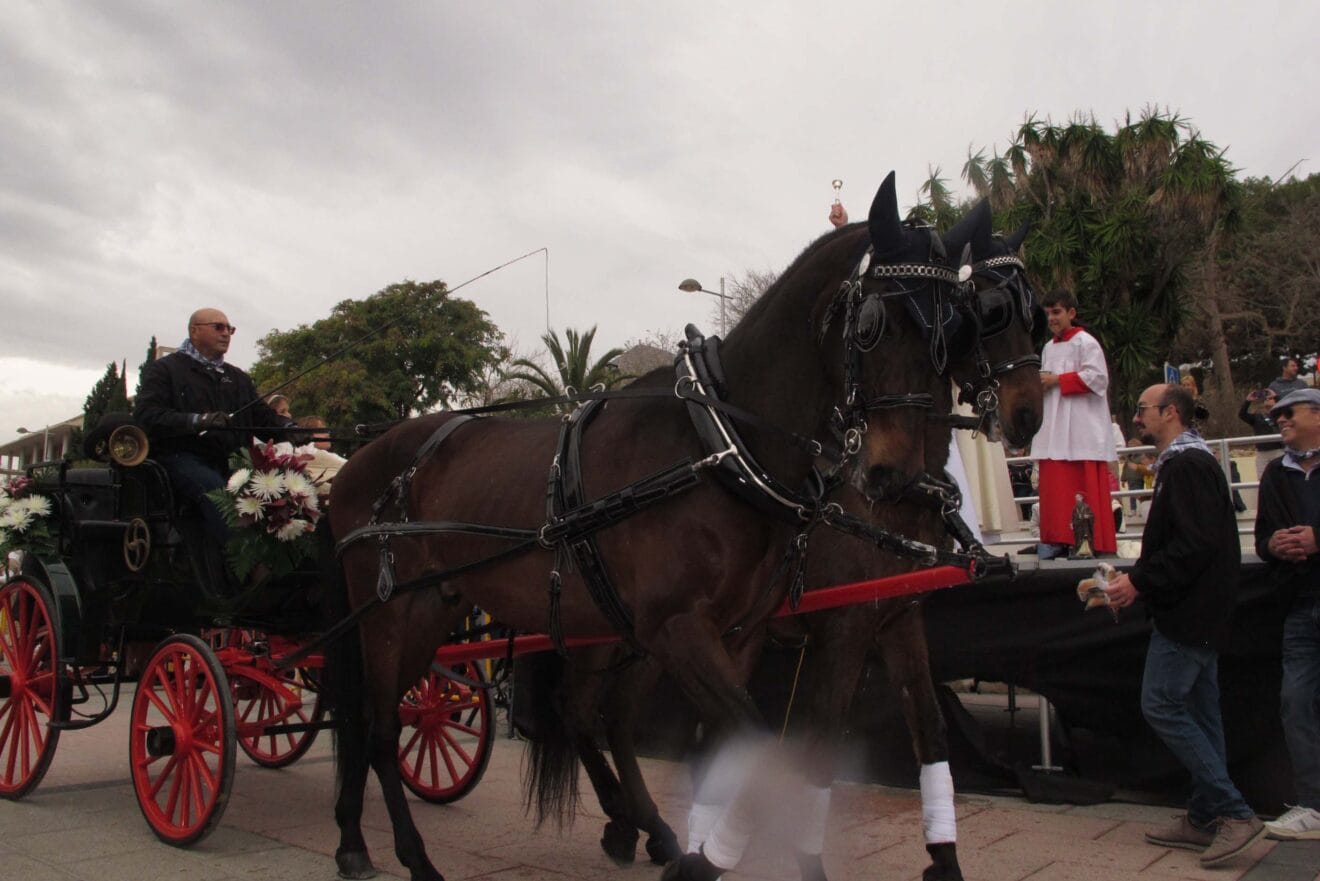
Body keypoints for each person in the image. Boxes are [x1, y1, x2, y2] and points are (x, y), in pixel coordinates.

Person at [1105, 383, 1264, 865]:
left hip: (1189, 613)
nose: (1136, 417)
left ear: (1170, 413)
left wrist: (1140, 583)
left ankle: (1234, 813)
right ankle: (1203, 817)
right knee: (1201, 711)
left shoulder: (1188, 466)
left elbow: (1193, 545)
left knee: (1162, 703)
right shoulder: (1192, 463)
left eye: (1142, 409)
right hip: (1201, 610)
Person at [134, 309, 296, 583]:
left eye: (229, 329)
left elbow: (262, 419)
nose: (225, 334)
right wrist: (199, 421)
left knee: (289, 486)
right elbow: (147, 416)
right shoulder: (165, 370)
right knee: (213, 489)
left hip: (235, 462)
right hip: (181, 459)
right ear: (194, 330)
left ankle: (295, 560)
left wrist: (292, 429)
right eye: (218, 327)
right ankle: (251, 567)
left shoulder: (238, 378)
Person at [1252, 387, 1320, 840]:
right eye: (1276, 415)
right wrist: (1274, 545)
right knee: (1296, 705)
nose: (1279, 421)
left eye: (1288, 413)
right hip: (1299, 606)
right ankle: (1314, 805)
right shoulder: (1275, 473)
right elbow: (1262, 536)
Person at [1030, 291, 1117, 558]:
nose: (1052, 319)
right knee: (1055, 484)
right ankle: (1057, 538)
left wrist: (1058, 380)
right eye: (1048, 314)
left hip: (1081, 424)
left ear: (1071, 313)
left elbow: (1098, 379)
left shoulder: (1085, 342)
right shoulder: (1047, 347)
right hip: (1055, 423)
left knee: (1083, 481)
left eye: (1056, 312)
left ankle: (1090, 540)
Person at [297, 415, 347, 494]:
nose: (328, 434)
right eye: (322, 431)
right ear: (307, 436)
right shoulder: (315, 455)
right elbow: (354, 466)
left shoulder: (299, 455)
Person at [1240, 388, 1283, 477]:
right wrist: (1248, 401)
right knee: (1263, 479)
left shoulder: (1280, 416)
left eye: (1270, 399)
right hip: (1262, 453)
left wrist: (1276, 396)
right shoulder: (1257, 417)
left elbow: (1286, 408)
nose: (1267, 399)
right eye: (1266, 399)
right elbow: (1242, 415)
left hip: (1278, 451)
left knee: (1281, 477)